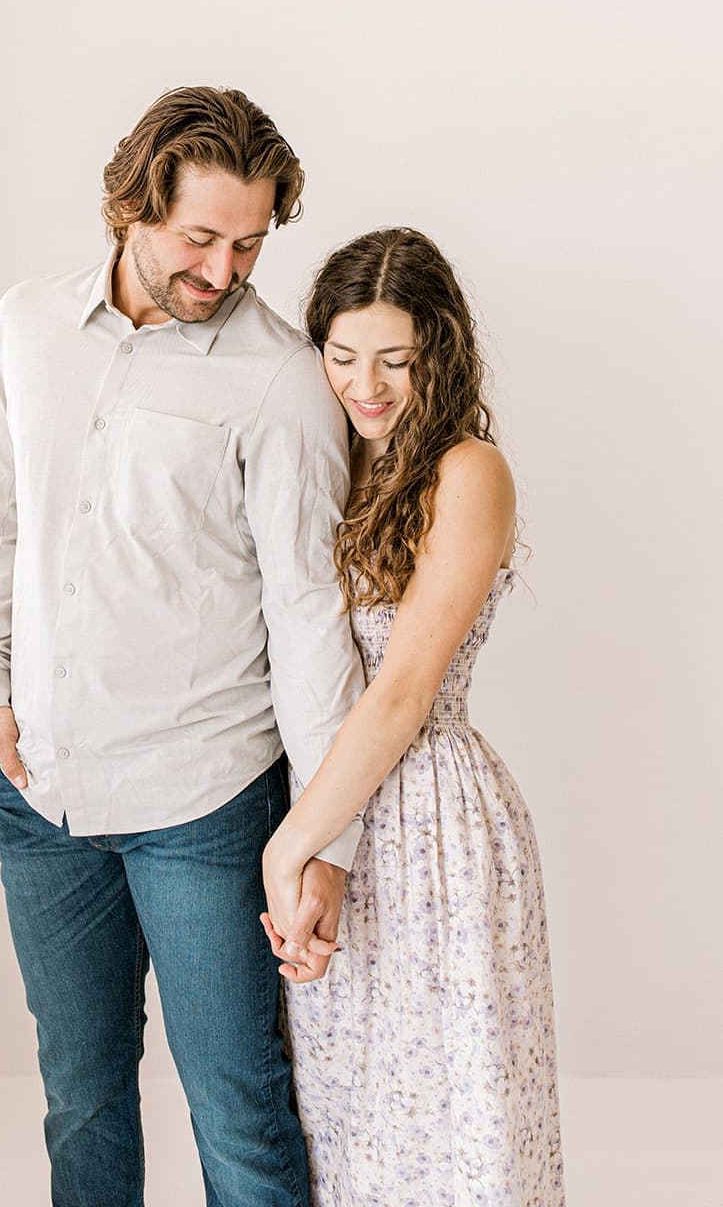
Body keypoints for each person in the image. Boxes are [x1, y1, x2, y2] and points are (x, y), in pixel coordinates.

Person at [0, 86, 366, 1207]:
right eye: (199, 238)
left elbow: (306, 614)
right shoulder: (25, 325)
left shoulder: (281, 379)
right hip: (42, 795)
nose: (225, 271)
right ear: (132, 204)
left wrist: (323, 838)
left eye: (249, 243)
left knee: (237, 1103)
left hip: (204, 803)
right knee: (79, 1092)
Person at [261, 228, 565, 1207]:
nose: (366, 384)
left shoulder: (466, 469)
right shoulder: (326, 464)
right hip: (335, 812)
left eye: (393, 360)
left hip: (431, 821)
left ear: (439, 351)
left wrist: (288, 844)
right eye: (342, 357)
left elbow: (399, 695)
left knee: (454, 1116)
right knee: (350, 1108)